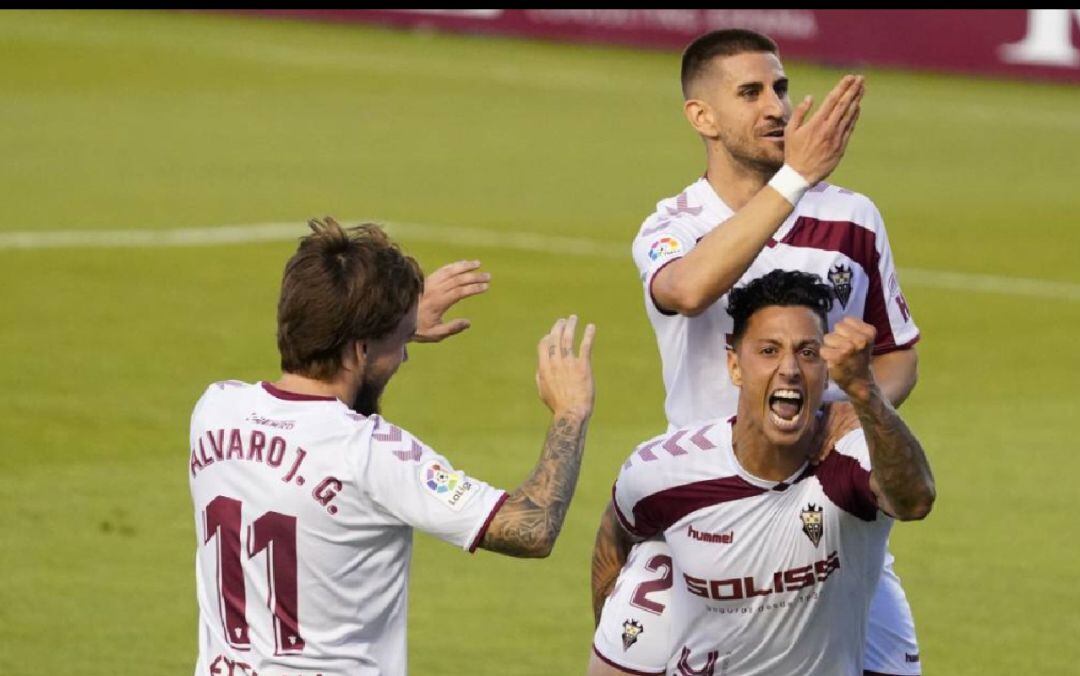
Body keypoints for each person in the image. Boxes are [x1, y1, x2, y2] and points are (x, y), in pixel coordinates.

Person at [591, 29, 922, 675]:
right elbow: (686, 290)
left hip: (828, 508)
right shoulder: (674, 225)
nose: (775, 106)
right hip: (705, 507)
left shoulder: (852, 218)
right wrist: (795, 178)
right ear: (702, 117)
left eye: (780, 87)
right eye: (750, 92)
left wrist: (855, 406)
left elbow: (898, 352)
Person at [189, 218, 595, 675]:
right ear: (360, 349)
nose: (403, 354)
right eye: (399, 343)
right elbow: (532, 528)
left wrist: (390, 330)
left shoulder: (214, 409)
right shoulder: (372, 453)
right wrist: (569, 413)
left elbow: (317, 402)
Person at [603, 270, 935, 675]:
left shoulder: (853, 457)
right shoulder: (665, 472)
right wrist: (616, 636)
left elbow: (915, 499)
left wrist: (865, 391)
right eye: (769, 351)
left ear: (826, 370)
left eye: (808, 352)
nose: (790, 369)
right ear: (735, 365)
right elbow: (616, 536)